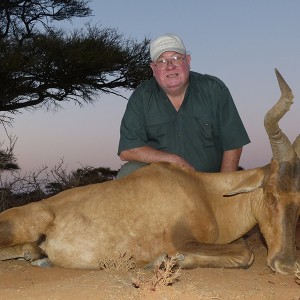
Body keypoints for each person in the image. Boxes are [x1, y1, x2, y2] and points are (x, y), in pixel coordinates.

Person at [117, 33, 250, 178]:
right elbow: (127, 150)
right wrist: (173, 160)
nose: (170, 66)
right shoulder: (140, 97)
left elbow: (234, 143)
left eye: (176, 58)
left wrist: (224, 187)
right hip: (163, 183)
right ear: (153, 69)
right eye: (161, 61)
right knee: (127, 172)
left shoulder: (214, 89)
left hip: (208, 183)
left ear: (188, 60)